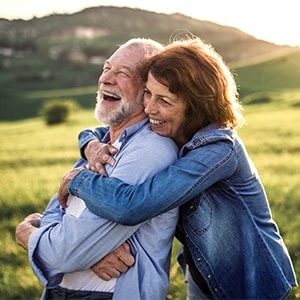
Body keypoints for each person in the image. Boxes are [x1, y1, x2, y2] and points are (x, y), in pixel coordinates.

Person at [58, 37, 297, 299]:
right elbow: (103, 130)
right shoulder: (174, 130)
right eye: (148, 93)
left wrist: (78, 180)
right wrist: (90, 145)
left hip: (250, 283)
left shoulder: (218, 150)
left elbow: (133, 206)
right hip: (202, 274)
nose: (149, 108)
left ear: (195, 106)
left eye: (165, 101)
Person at [15, 38, 180, 300]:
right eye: (106, 68)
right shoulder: (99, 146)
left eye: (123, 73)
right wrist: (85, 254)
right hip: (60, 292)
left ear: (147, 92)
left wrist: (26, 233)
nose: (107, 79)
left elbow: (66, 253)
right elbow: (55, 214)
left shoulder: (151, 151)